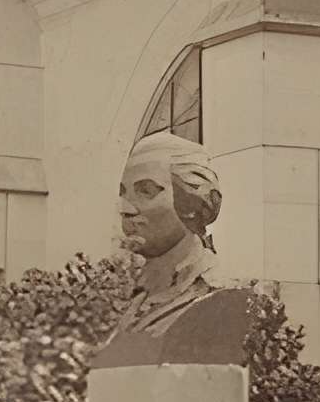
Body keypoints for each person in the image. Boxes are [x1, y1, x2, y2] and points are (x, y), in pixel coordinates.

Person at [88, 132, 261, 369]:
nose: (125, 208)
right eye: (123, 192)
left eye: (146, 191)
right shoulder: (124, 298)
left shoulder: (225, 296)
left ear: (191, 202)